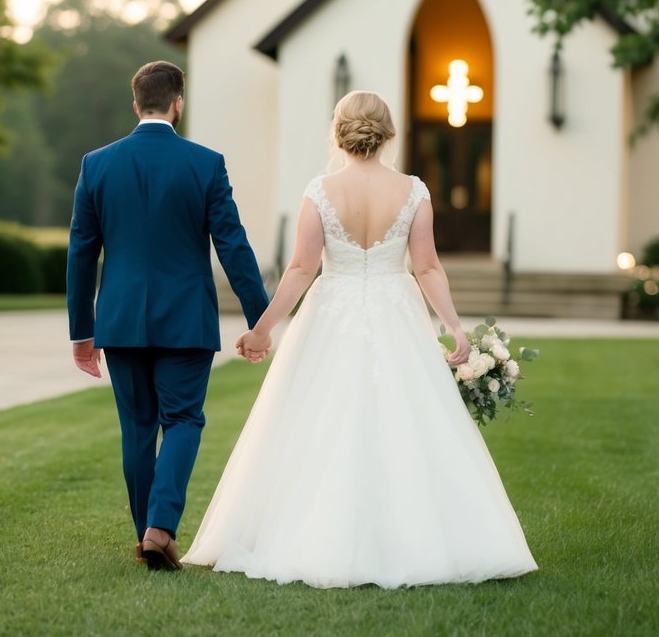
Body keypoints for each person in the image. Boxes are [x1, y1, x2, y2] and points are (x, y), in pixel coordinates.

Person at [181, 91, 538, 588]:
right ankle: (421, 539)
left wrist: (263, 327)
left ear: (339, 132)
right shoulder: (413, 191)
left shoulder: (321, 191)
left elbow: (302, 267)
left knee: (318, 418)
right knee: (408, 418)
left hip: (333, 313)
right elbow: (428, 266)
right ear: (388, 134)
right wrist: (454, 325)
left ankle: (314, 535)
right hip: (397, 312)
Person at [66, 60, 270, 572]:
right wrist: (260, 318)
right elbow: (233, 246)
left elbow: (80, 253)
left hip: (121, 321)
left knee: (137, 427)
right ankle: (160, 529)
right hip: (186, 321)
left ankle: (147, 534)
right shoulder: (205, 163)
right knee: (182, 419)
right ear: (178, 104)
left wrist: (81, 333)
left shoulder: (97, 164)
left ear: (136, 104)